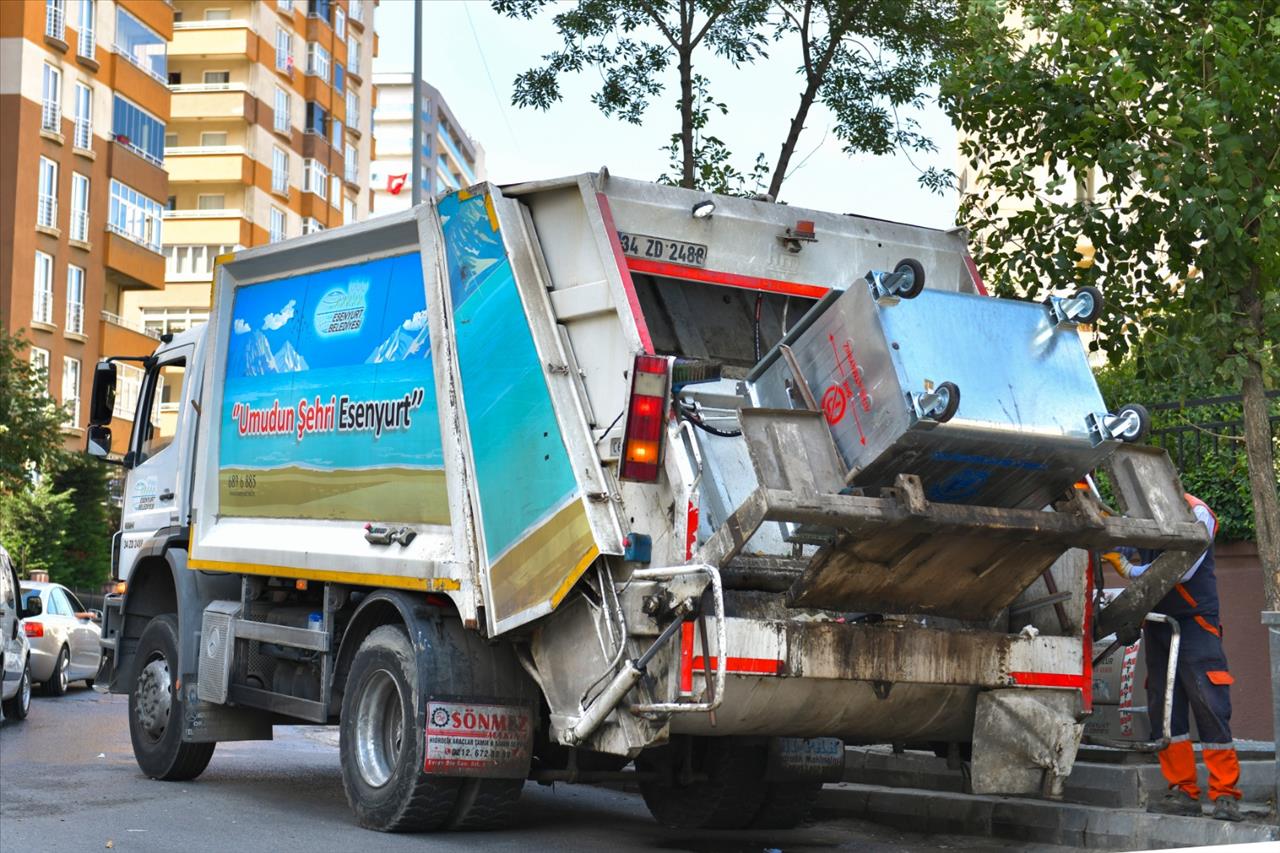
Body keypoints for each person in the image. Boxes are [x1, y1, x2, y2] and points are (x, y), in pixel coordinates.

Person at [1102, 493, 1243, 821]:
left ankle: (1225, 794)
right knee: (1164, 709)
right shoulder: (1147, 515)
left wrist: (1128, 569)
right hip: (1161, 625)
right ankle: (1182, 790)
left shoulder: (1198, 515)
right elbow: (1120, 542)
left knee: (1209, 702)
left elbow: (1181, 571)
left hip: (1196, 623)